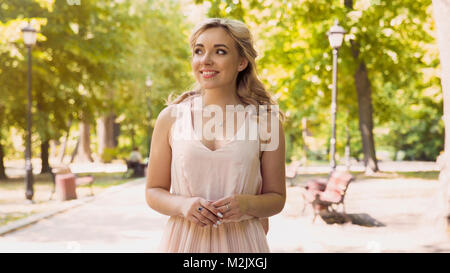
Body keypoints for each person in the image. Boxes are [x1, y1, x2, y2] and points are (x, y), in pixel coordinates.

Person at [145, 18, 286, 253]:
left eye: (220, 51)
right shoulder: (170, 118)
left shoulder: (265, 121)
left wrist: (247, 204)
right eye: (198, 51)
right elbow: (153, 191)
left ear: (241, 62)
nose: (205, 60)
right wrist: (183, 205)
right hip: (183, 244)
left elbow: (277, 197)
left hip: (243, 247)